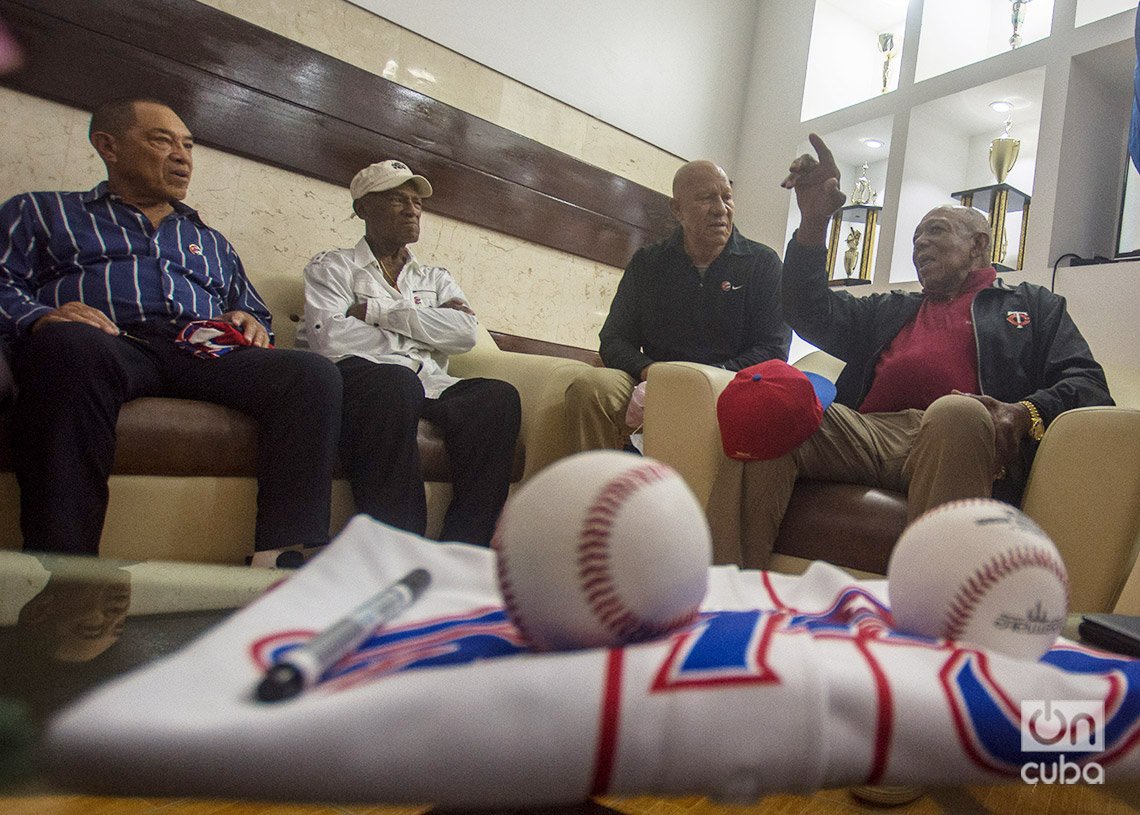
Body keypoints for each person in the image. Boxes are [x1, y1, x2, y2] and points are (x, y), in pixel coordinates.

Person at [728, 133, 1113, 568]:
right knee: (769, 399)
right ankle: (727, 584)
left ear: (979, 244)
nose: (920, 244)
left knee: (957, 411)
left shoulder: (1032, 305)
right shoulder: (892, 309)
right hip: (867, 433)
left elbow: (1089, 385)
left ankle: (928, 613)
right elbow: (809, 311)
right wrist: (814, 222)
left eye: (936, 231)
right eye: (915, 238)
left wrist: (1023, 412)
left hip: (958, 435)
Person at [0, 97, 343, 565]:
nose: (182, 156)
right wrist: (40, 316)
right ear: (108, 146)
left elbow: (253, 311)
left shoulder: (209, 240)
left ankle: (280, 562)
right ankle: (65, 571)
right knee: (69, 347)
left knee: (310, 374)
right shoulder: (42, 212)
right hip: (109, 341)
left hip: (198, 350)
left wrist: (249, 322)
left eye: (187, 145)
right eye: (162, 141)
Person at [298, 160, 521, 547]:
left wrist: (379, 313)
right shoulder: (332, 267)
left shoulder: (434, 277)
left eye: (417, 202)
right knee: (395, 382)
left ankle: (466, 547)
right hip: (366, 381)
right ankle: (398, 544)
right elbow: (330, 337)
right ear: (363, 208)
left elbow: (465, 334)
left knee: (497, 398)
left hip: (428, 381)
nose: (412, 210)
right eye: (398, 200)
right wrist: (422, 334)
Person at [566, 160, 791, 452]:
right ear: (678, 210)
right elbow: (613, 339)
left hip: (728, 387)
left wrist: (707, 378)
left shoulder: (763, 264)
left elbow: (774, 348)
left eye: (726, 196)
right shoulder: (648, 263)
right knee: (590, 390)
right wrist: (648, 370)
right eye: (706, 198)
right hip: (654, 381)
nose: (721, 208)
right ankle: (597, 490)